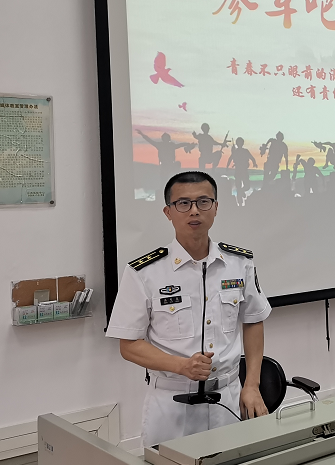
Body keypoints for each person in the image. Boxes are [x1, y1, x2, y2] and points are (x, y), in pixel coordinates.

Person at [105, 171, 270, 448]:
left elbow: (253, 320)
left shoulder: (239, 264)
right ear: (168, 212)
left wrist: (251, 385)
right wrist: (181, 366)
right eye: (183, 203)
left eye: (203, 202)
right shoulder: (144, 272)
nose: (194, 211)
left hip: (228, 398)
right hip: (171, 403)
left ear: (215, 207)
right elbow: (129, 345)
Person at [226, 137, 257, 206]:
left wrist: (254, 163)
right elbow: (230, 159)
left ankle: (241, 192)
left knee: (245, 187)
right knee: (239, 187)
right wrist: (227, 167)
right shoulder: (237, 151)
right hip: (239, 171)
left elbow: (252, 158)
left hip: (242, 170)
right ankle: (240, 203)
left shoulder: (243, 151)